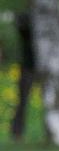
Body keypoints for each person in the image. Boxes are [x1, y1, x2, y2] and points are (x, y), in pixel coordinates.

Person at [10, 12, 36, 141]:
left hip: (46, 66)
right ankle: (17, 132)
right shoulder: (26, 19)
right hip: (29, 66)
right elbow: (21, 25)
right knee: (22, 100)